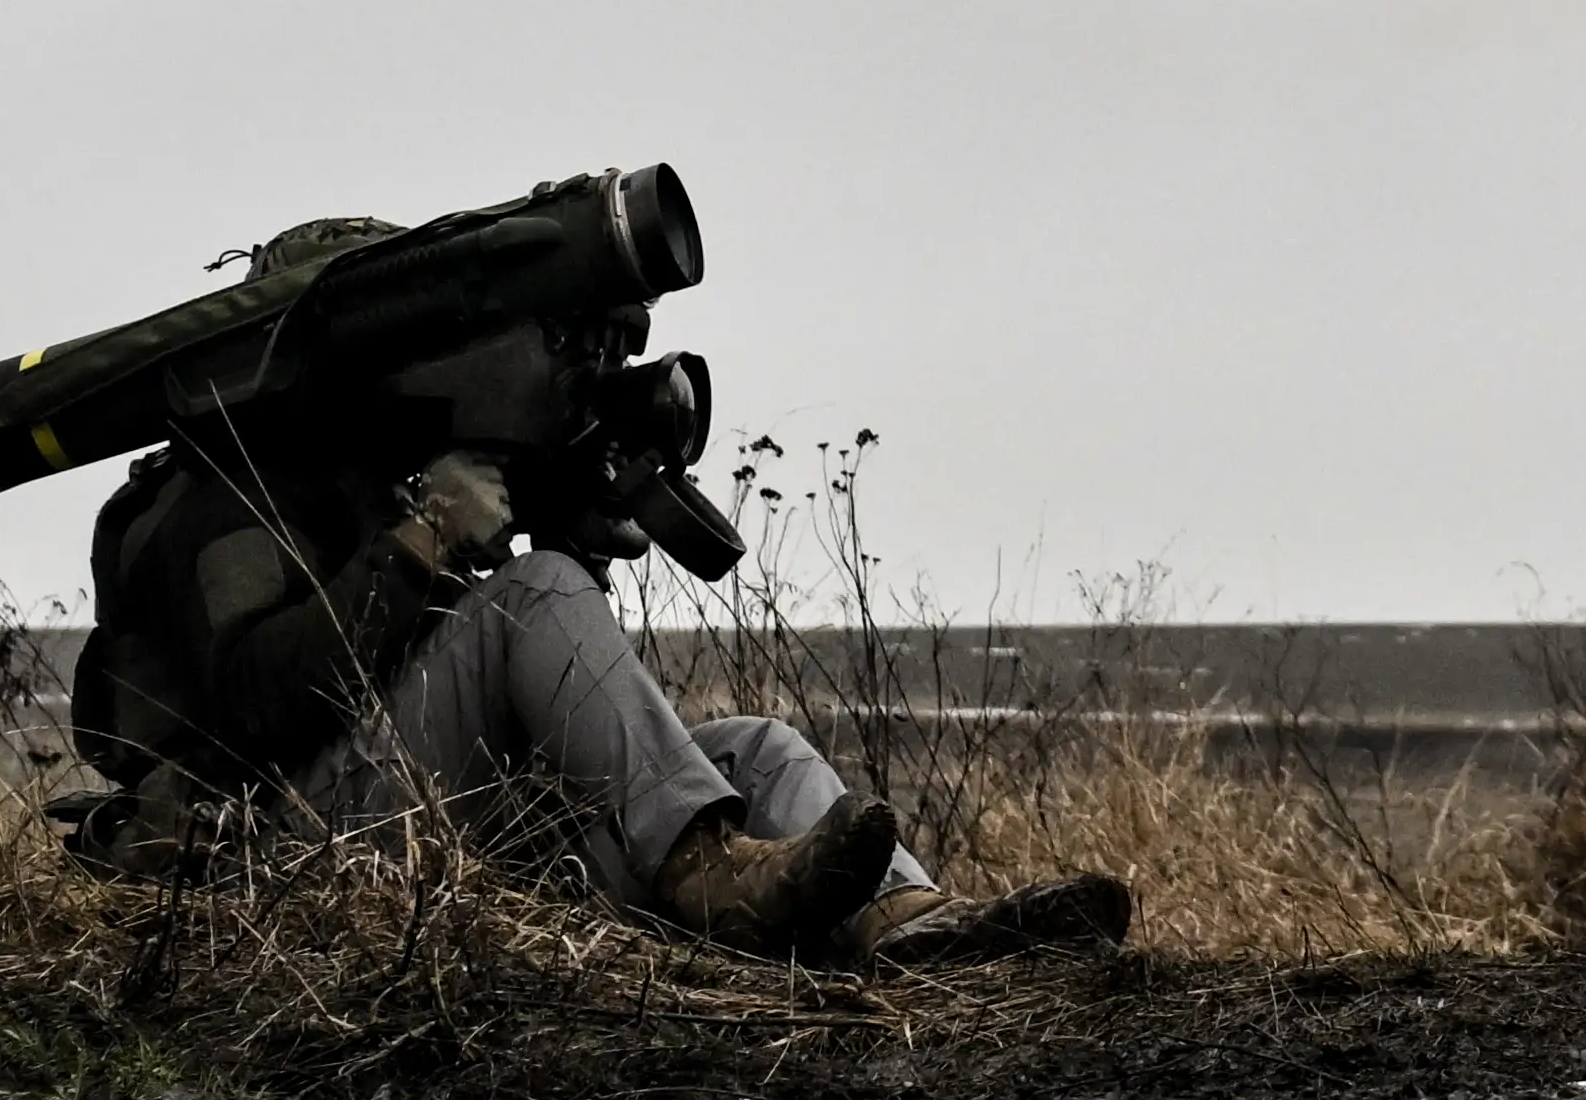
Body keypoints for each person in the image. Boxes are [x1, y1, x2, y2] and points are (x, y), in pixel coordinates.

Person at [70, 218, 1127, 971]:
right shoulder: (224, 495)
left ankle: (911, 930)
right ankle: (710, 874)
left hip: (396, 828)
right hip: (274, 851)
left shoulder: (365, 477)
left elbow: (472, 689)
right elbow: (261, 704)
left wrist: (563, 525)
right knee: (534, 591)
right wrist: (425, 541)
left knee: (755, 750)